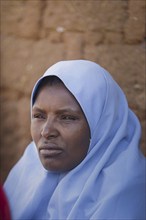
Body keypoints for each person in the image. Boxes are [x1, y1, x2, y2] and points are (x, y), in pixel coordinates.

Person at [3, 60, 145, 219]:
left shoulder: (127, 192)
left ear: (102, 125)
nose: (46, 131)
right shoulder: (28, 169)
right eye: (39, 116)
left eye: (67, 118)